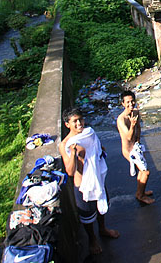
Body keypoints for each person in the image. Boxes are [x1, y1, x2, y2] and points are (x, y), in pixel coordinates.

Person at [59, 108, 119, 255]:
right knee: (87, 215)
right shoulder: (66, 144)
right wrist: (74, 153)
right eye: (75, 121)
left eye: (81, 119)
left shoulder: (88, 133)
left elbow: (97, 147)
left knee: (101, 206)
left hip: (96, 178)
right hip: (82, 185)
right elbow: (70, 171)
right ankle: (92, 239)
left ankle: (103, 229)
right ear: (67, 124)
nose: (79, 123)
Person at [117, 90, 155, 205]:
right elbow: (128, 137)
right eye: (127, 102)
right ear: (123, 104)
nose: (131, 104)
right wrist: (132, 125)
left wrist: (138, 140)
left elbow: (138, 127)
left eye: (132, 101)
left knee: (141, 171)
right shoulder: (121, 119)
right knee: (145, 172)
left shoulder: (136, 112)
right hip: (128, 151)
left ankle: (140, 191)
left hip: (136, 147)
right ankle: (140, 195)